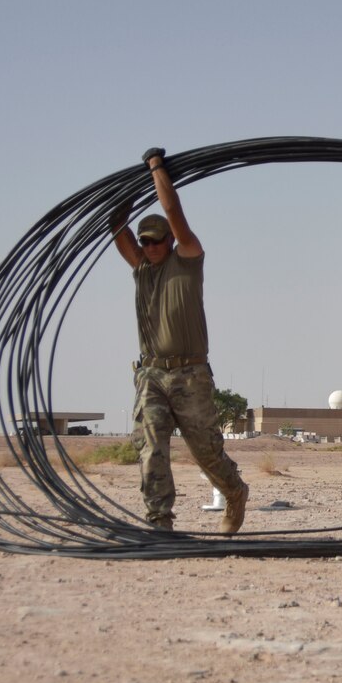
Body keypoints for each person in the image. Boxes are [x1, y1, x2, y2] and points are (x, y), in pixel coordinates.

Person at [109, 147, 248, 535]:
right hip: (151, 373)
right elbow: (115, 224)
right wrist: (132, 185)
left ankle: (234, 493)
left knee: (205, 452)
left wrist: (156, 169)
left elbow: (174, 213)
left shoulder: (187, 256)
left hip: (190, 374)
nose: (151, 247)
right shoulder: (140, 268)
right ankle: (160, 522)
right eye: (146, 242)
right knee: (151, 446)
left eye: (157, 241)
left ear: (170, 240)